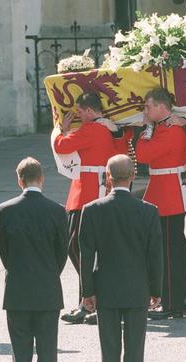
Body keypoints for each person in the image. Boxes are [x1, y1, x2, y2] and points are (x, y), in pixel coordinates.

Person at [79, 154, 163, 362]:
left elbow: (86, 255)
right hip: (137, 287)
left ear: (108, 177)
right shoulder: (148, 211)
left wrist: (87, 292)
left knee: (109, 353)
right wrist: (156, 290)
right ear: (133, 175)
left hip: (106, 288)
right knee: (135, 353)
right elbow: (155, 255)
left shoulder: (91, 210)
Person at [52, 91, 120, 325]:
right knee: (85, 250)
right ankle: (88, 300)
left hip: (88, 194)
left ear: (89, 110)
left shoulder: (92, 129)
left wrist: (62, 128)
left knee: (78, 248)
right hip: (96, 191)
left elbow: (62, 146)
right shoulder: (110, 128)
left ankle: (91, 299)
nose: (79, 116)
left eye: (80, 111)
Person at [0, 157, 68, 362]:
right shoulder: (56, 210)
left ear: (20, 181)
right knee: (47, 353)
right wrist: (50, 272)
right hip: (47, 287)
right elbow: (61, 252)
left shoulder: (6, 210)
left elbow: (4, 253)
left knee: (20, 353)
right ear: (42, 178)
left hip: (18, 289)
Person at [135, 88, 186, 320]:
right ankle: (179, 299)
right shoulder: (169, 126)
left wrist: (146, 128)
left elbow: (142, 155)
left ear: (162, 107)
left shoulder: (168, 129)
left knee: (169, 252)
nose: (145, 111)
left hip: (168, 192)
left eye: (148, 107)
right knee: (174, 249)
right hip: (167, 189)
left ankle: (172, 303)